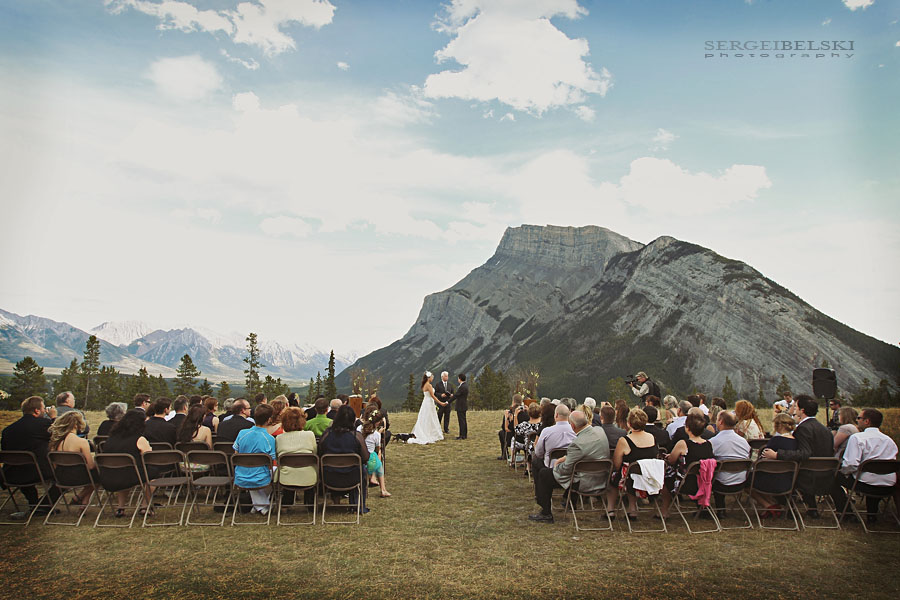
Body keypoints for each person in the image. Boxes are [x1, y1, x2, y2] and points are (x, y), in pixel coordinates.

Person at [528, 410, 610, 523]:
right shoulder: (599, 431)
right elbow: (588, 452)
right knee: (549, 472)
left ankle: (546, 512)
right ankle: (567, 501)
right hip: (602, 479)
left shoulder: (577, 444)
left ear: (572, 425)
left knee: (544, 473)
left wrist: (555, 467)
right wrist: (565, 458)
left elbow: (566, 469)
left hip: (584, 482)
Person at [762, 395, 834, 517]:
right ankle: (811, 509)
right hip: (826, 474)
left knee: (783, 475)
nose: (794, 409)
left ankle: (787, 510)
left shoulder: (803, 428)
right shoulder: (824, 429)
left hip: (808, 476)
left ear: (802, 410)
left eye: (796, 406)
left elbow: (804, 453)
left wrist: (778, 455)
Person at [832, 408, 900, 523]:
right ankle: (871, 514)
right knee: (873, 476)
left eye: (859, 418)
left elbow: (851, 464)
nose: (857, 420)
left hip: (866, 484)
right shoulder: (889, 440)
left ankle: (846, 512)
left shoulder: (858, 438)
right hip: (888, 485)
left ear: (867, 421)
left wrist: (843, 472)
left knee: (833, 478)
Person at [1, 396, 60, 517]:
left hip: (10, 473)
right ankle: (43, 506)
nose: (45, 411)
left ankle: (34, 504)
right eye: (43, 408)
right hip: (36, 472)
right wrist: (53, 417)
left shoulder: (7, 430)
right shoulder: (42, 424)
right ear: (37, 410)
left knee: (23, 467)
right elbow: (59, 433)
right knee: (64, 476)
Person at [606, 408, 658, 520]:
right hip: (650, 477)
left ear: (629, 423)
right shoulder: (652, 438)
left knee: (614, 477)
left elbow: (616, 463)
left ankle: (610, 510)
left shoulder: (624, 440)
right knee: (632, 474)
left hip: (631, 479)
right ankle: (632, 508)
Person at [660, 413, 714, 518]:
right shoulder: (708, 444)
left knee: (665, 479)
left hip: (685, 484)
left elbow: (671, 460)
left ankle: (664, 510)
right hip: (704, 483)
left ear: (687, 428)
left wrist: (668, 456)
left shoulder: (683, 444)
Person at [101, 409, 154, 517]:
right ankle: (145, 505)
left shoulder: (111, 439)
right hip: (131, 476)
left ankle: (120, 507)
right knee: (152, 476)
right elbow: (149, 457)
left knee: (123, 471)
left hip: (109, 476)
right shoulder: (139, 439)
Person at [319, 405, 370, 513]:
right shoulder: (357, 436)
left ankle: (336, 499)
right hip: (352, 477)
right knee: (362, 469)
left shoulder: (327, 434)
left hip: (329, 477)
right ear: (352, 420)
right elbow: (365, 458)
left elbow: (320, 454)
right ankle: (358, 505)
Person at [750, 413, 798, 515]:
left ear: (777, 426)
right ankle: (773, 504)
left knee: (747, 482)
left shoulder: (776, 441)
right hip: (788, 481)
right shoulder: (796, 442)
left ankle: (769, 505)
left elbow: (763, 458)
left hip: (771, 480)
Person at [233, 404, 276, 515]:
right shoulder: (269, 439)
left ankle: (258, 505)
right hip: (260, 476)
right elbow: (271, 462)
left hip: (241, 474)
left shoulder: (242, 433)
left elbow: (236, 455)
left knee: (255, 471)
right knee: (275, 473)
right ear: (269, 420)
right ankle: (262, 507)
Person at [48, 411, 97, 505]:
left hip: (61, 478)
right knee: (98, 474)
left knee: (94, 476)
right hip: (79, 477)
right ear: (76, 424)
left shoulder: (55, 442)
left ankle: (84, 502)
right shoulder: (81, 442)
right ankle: (80, 497)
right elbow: (90, 466)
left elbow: (54, 466)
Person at [708, 410, 751, 515]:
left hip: (720, 484)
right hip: (742, 481)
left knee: (715, 471)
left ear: (721, 422)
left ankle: (720, 509)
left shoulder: (714, 442)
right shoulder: (743, 442)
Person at [274, 407, 317, 508]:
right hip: (308, 476)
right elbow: (315, 454)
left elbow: (277, 457)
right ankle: (309, 503)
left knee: (288, 468)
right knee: (311, 466)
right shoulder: (310, 435)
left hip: (286, 477)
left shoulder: (279, 438)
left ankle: (286, 502)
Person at [532, 405, 575, 482]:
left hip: (550, 468)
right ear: (568, 415)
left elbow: (538, 453)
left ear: (556, 415)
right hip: (570, 466)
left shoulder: (546, 431)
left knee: (535, 459)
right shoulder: (575, 430)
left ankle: (539, 489)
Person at [358, 405, 390, 498]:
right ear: (378, 422)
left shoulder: (359, 428)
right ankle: (383, 489)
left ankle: (372, 480)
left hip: (359, 457)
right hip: (370, 460)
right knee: (378, 457)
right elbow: (377, 449)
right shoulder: (376, 434)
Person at [408, 371, 445, 445]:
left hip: (425, 402)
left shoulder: (424, 385)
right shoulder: (428, 385)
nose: (432, 379)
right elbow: (433, 395)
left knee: (426, 417)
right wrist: (440, 403)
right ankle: (429, 433)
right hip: (429, 403)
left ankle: (427, 431)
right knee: (429, 417)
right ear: (429, 378)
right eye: (432, 377)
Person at [497, 394, 527, 459]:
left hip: (512, 439)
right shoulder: (526, 413)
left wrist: (506, 418)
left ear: (513, 402)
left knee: (501, 433)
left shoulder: (510, 413)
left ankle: (504, 454)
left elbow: (505, 428)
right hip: (525, 438)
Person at [453, 374, 469, 440]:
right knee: (463, 420)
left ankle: (462, 435)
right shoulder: (465, 385)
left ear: (459, 379)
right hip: (463, 405)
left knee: (461, 421)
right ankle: (464, 434)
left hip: (460, 406)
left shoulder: (462, 386)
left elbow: (456, 395)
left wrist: (448, 402)